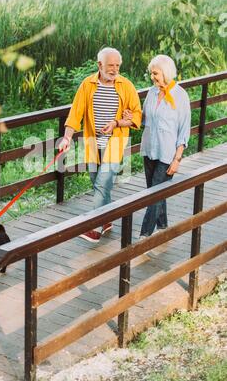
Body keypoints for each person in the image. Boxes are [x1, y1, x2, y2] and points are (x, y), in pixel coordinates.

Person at [58, 47, 142, 243]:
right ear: (100, 65)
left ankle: (94, 227)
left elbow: (137, 114)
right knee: (97, 183)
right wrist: (67, 138)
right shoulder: (88, 85)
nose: (114, 69)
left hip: (115, 143)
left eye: (117, 65)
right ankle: (107, 220)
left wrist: (118, 122)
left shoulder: (126, 86)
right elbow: (75, 114)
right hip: (93, 143)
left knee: (103, 183)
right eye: (110, 65)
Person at [132, 54, 191, 239]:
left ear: (165, 73)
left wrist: (177, 160)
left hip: (167, 154)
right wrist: (131, 116)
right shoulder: (152, 92)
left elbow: (184, 132)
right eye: (151, 73)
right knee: (156, 191)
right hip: (149, 149)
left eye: (155, 73)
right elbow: (144, 119)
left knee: (154, 196)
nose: (152, 77)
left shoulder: (180, 96)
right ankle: (163, 225)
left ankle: (144, 236)